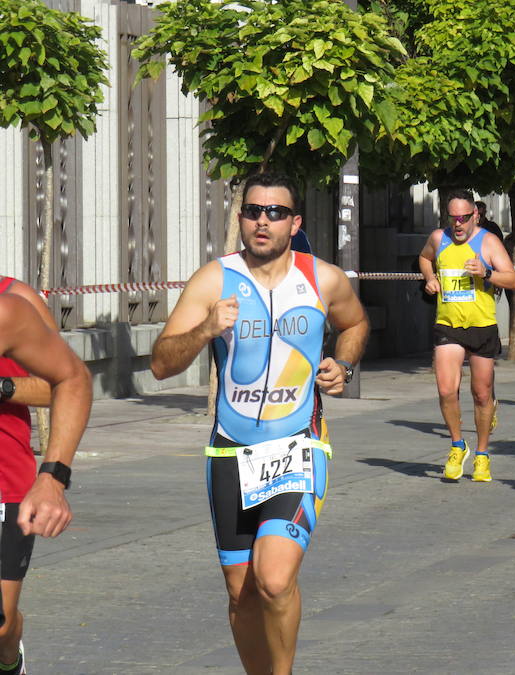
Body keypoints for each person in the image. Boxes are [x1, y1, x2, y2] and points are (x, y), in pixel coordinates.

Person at [150, 172, 369, 675]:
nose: (262, 221)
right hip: (230, 453)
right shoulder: (214, 280)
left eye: (274, 212)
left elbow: (355, 323)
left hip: (297, 448)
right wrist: (206, 328)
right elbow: (162, 363)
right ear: (241, 217)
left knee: (273, 579)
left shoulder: (323, 278)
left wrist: (344, 363)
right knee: (241, 592)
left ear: (294, 222)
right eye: (252, 211)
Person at [0, 277, 92, 675]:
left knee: (1, 623)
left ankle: (9, 654)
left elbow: (64, 380)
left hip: (5, 478)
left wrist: (52, 478)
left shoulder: (11, 304)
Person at [418, 189, 515, 483]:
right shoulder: (439, 238)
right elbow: (424, 258)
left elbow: (512, 279)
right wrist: (431, 278)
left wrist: (486, 273)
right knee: (447, 390)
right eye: (453, 218)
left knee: (481, 394)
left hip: (482, 326)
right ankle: (457, 445)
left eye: (464, 217)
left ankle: (483, 454)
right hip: (447, 324)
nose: (458, 224)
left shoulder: (488, 242)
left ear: (475, 215)